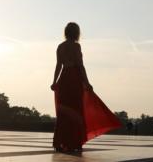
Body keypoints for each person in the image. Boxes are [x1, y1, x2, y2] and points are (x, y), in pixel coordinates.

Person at [51, 22, 121, 152]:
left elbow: (58, 66)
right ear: (76, 33)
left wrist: (54, 82)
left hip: (64, 80)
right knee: (76, 110)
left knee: (64, 112)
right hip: (74, 80)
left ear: (66, 32)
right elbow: (80, 65)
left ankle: (60, 142)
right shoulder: (76, 46)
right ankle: (75, 142)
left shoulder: (60, 47)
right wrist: (87, 83)